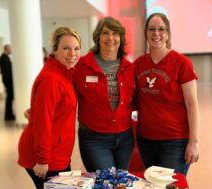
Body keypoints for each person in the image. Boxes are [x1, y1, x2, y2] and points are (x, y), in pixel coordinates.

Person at [134, 13, 200, 176]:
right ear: (146, 33)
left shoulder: (182, 63)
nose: (156, 33)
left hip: (175, 141)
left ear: (167, 33)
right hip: (146, 140)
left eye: (161, 29)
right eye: (152, 29)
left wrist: (194, 141)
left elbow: (192, 105)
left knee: (170, 188)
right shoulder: (138, 64)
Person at [18, 27, 81, 189]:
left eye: (76, 48)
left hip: (56, 152)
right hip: (47, 156)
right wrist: (42, 159)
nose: (72, 53)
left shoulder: (64, 73)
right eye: (66, 48)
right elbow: (43, 122)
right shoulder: (52, 79)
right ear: (55, 50)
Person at [73, 17, 136, 172]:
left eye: (115, 33)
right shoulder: (82, 66)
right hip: (94, 138)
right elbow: (66, 94)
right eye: (105, 33)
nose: (110, 38)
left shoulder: (130, 68)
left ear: (121, 38)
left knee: (121, 185)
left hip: (124, 137)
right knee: (106, 184)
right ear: (97, 37)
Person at [0, 44, 15, 121]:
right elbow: (6, 71)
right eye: (10, 49)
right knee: (9, 97)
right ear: (6, 49)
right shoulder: (3, 58)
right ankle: (8, 115)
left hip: (8, 80)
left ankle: (9, 114)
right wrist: (11, 80)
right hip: (8, 80)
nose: (11, 50)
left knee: (10, 97)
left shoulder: (5, 57)